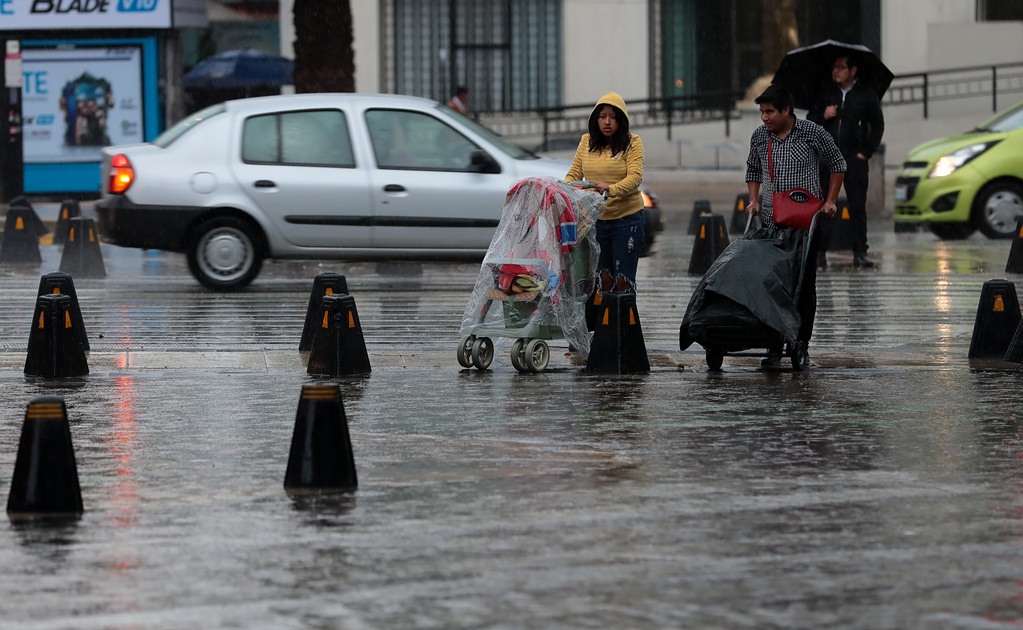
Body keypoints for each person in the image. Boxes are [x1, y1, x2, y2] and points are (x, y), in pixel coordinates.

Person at [746, 84, 846, 367]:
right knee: (772, 284)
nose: (764, 118)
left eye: (769, 112)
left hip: (806, 224)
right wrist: (753, 199)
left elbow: (838, 163)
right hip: (770, 224)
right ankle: (773, 344)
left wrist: (831, 200)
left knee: (803, 285)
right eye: (762, 112)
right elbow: (752, 169)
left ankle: (801, 342)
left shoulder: (812, 133)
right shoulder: (759, 137)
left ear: (786, 110)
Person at [807, 53, 885, 268]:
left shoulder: (866, 94)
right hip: (827, 160)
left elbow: (877, 124)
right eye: (834, 67)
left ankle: (860, 252)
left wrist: (866, 151)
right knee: (823, 206)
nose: (836, 71)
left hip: (853, 159)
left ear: (853, 70)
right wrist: (824, 115)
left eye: (841, 67)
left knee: (857, 206)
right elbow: (809, 120)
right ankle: (819, 252)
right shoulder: (826, 92)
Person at [564, 91, 645, 294]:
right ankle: (605, 323)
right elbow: (574, 173)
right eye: (602, 116)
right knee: (604, 280)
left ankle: (624, 322)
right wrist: (563, 188)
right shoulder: (586, 141)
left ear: (621, 120)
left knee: (623, 282)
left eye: (613, 117)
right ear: (595, 119)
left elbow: (635, 178)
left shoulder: (633, 142)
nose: (607, 122)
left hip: (627, 220)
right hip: (596, 220)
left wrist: (611, 188)